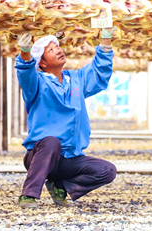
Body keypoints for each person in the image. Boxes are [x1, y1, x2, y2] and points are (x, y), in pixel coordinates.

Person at [14, 28, 118, 208]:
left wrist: (106, 41)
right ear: (42, 63)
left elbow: (98, 73)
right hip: (40, 155)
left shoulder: (76, 79)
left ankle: (59, 185)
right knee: (51, 142)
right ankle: (28, 195)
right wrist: (25, 52)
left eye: (58, 47)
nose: (60, 50)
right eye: (52, 50)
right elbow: (26, 73)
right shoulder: (37, 82)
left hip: (68, 157)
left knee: (107, 170)